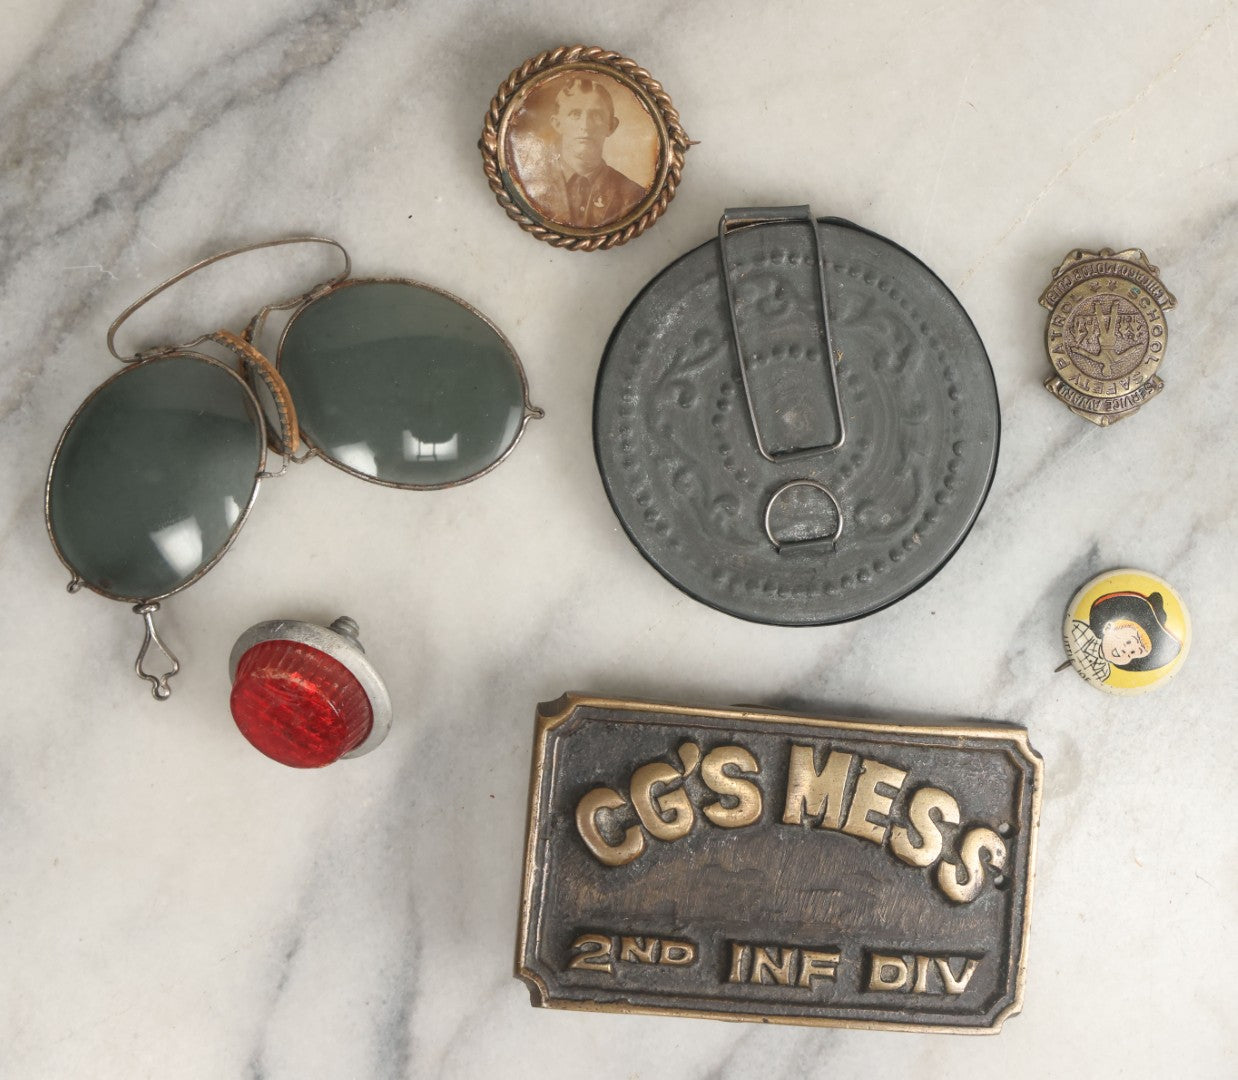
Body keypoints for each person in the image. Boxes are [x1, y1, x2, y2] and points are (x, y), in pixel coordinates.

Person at [518, 76, 647, 229]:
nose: (585, 126)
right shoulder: (529, 185)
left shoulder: (632, 195)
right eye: (575, 114)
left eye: (596, 115)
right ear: (557, 124)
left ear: (611, 126)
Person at [1067, 589, 1181, 684]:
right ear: (1107, 628)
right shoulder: (1078, 629)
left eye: (1133, 653)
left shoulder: (1103, 673)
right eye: (1128, 642)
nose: (1125, 651)